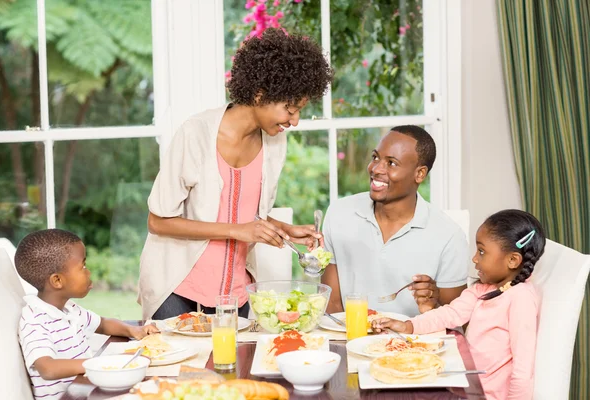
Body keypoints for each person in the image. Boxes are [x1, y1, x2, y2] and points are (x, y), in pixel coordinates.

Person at [139, 28, 334, 320]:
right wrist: (238, 230)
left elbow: (243, 211)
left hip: (235, 292)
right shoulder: (197, 134)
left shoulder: (274, 141)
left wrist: (287, 230)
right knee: (179, 366)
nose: (294, 121)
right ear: (259, 95)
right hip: (177, 289)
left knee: (238, 366)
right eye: (290, 109)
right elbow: (158, 221)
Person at [373, 209, 545, 400]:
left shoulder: (521, 298)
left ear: (512, 260)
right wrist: (408, 326)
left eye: (482, 251)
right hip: (461, 385)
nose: (474, 258)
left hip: (482, 395)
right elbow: (450, 313)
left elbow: (523, 371)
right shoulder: (484, 289)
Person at [321, 126, 469, 317]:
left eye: (391, 163)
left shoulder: (449, 236)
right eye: (375, 157)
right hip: (350, 336)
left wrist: (435, 299)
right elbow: (332, 303)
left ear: (420, 174)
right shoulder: (339, 213)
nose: (376, 169)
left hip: (413, 343)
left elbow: (455, 317)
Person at [15, 229, 159, 400]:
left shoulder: (70, 309)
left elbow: (103, 324)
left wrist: (134, 331)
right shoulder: (35, 321)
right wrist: (101, 364)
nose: (89, 272)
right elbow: (48, 368)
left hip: (86, 389)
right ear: (57, 281)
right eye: (83, 266)